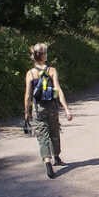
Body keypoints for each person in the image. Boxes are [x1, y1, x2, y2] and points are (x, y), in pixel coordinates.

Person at [24, 43, 73, 179]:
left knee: (42, 136)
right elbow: (58, 90)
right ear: (44, 55)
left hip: (38, 109)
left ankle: (48, 163)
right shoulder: (51, 70)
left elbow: (28, 95)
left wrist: (26, 112)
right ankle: (56, 156)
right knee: (54, 132)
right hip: (52, 107)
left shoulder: (30, 73)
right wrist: (66, 109)